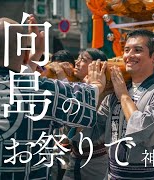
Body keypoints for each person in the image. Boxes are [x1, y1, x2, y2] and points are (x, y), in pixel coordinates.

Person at [0, 17, 106, 180]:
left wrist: (32, 59)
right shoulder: (43, 89)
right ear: (24, 56)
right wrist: (95, 83)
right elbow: (84, 102)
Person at [90, 29, 154, 179]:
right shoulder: (116, 90)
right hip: (113, 174)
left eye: (138, 50)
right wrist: (97, 92)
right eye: (126, 50)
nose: (129, 55)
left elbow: (145, 133)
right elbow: (91, 133)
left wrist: (124, 97)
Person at [62, 48, 109, 180]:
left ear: (97, 66)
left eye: (83, 59)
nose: (77, 62)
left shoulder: (107, 91)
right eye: (78, 58)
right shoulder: (77, 86)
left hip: (97, 161)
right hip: (74, 157)